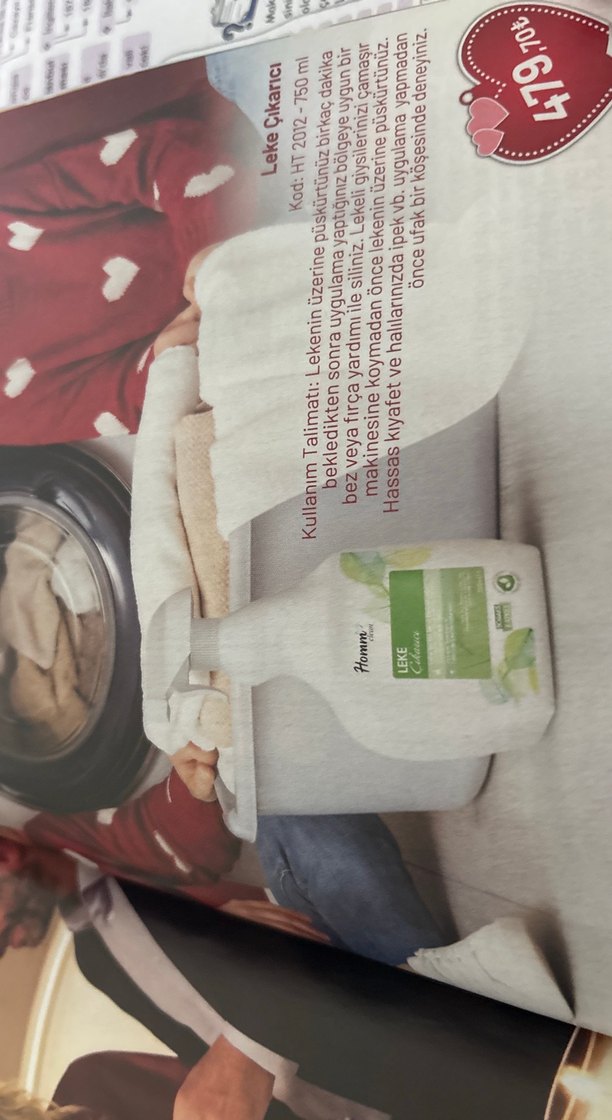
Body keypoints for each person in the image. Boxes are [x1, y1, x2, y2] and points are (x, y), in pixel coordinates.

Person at [0, 836, 573, 1120]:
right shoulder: (94, 961)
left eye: (2, 935)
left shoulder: (116, 849)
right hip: (315, 1070)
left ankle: (458, 985)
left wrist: (226, 928)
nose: (16, 943)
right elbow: (196, 1040)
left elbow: (227, 863)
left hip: (328, 989)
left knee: (300, 835)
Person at [0, 71, 260, 446]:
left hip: (254, 148)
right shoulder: (10, 416)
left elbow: (158, 153)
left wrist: (210, 251)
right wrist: (172, 354)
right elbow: (143, 401)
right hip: (259, 318)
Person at [18, 764, 444, 966]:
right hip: (285, 979)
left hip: (291, 919)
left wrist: (193, 780)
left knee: (284, 793)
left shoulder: (53, 839)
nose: (17, 941)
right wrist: (216, 931)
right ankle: (433, 991)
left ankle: (422, 975)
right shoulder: (97, 962)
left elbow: (157, 836)